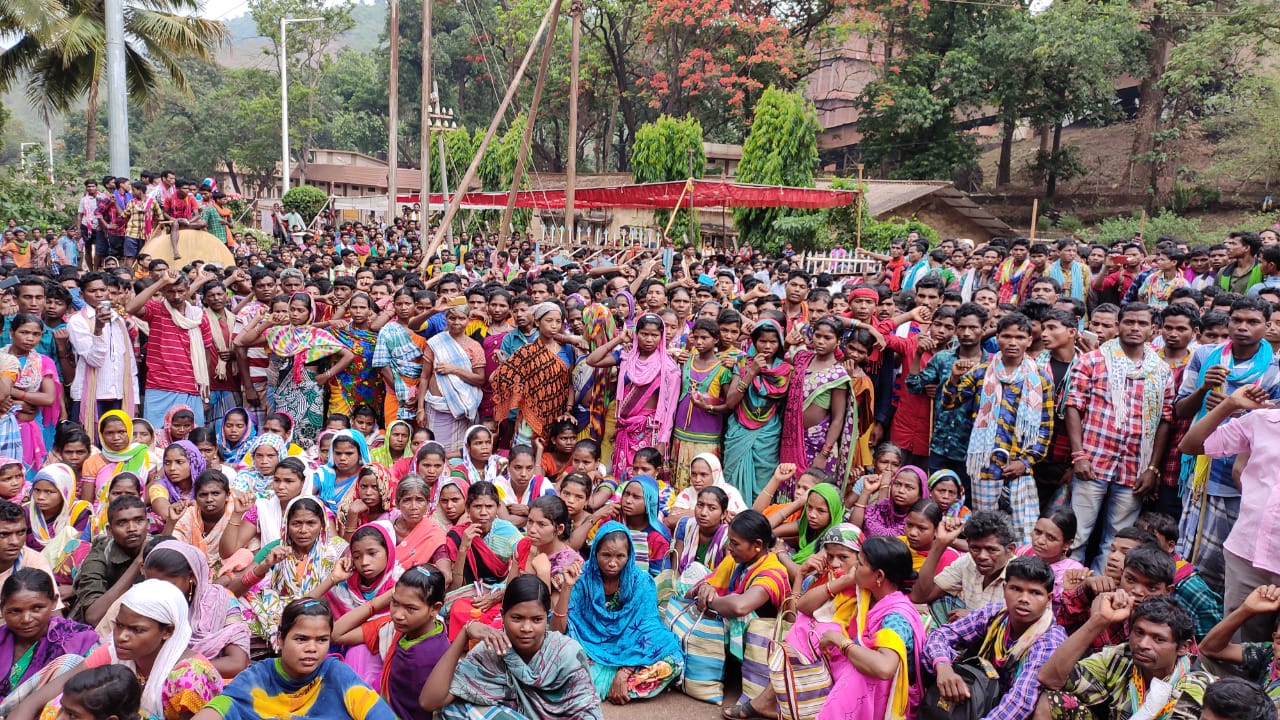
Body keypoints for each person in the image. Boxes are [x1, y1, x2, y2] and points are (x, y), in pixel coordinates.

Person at [9, 580, 223, 720]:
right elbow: (36, 700)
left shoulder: (189, 679)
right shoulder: (114, 652)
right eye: (119, 625)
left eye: (137, 630)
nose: (121, 636)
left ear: (167, 631)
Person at [1066, 303, 1173, 571]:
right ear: (1119, 325)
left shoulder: (1160, 370)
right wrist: (1078, 454)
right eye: (1129, 322)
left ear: (1153, 329)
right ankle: (1065, 594)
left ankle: (1102, 598)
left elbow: (1165, 420)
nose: (1135, 328)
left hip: (1134, 468)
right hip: (1093, 460)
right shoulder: (1093, 360)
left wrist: (1152, 468)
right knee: (1077, 536)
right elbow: (1073, 406)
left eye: (1142, 323)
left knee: (1118, 542)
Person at [420, 574, 602, 720]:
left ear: (546, 618)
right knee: (454, 709)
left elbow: (587, 710)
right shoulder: (491, 650)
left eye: (537, 620)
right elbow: (429, 702)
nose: (526, 628)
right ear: (503, 616)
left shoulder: (566, 653)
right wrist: (464, 634)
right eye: (517, 618)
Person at [940, 312, 1053, 545]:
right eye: (1007, 336)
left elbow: (1045, 427)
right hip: (985, 464)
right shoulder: (981, 372)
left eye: (1020, 337)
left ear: (1029, 341)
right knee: (986, 529)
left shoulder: (1040, 379)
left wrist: (1026, 462)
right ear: (997, 338)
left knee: (1025, 532)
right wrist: (953, 378)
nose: (1013, 342)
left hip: (1021, 467)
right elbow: (949, 403)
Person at [192, 599, 396, 720]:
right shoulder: (258, 677)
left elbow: (378, 713)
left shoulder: (336, 673)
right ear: (280, 639)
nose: (312, 649)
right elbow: (218, 709)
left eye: (322, 640)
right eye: (301, 639)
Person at [922, 556, 1067, 720]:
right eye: (1016, 589)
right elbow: (940, 635)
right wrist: (943, 667)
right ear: (1004, 589)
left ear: (1048, 599)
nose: (1024, 599)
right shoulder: (996, 614)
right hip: (985, 695)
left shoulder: (1049, 641)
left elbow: (1020, 702)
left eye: (1035, 593)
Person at [1037, 594, 1211, 720]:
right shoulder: (1121, 656)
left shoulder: (1196, 683)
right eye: (1139, 632)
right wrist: (1099, 621)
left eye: (1159, 639)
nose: (1143, 644)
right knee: (1053, 700)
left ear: (1183, 647)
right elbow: (1049, 678)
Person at [564, 521, 683, 703]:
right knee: (563, 654)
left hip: (632, 646)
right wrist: (566, 587)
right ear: (594, 552)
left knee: (673, 661)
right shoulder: (582, 578)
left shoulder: (641, 582)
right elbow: (566, 626)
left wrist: (625, 671)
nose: (612, 563)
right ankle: (618, 686)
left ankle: (613, 683)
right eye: (605, 555)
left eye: (620, 556)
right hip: (592, 645)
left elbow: (646, 627)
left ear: (629, 555)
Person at [231, 496, 347, 645]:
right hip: (278, 609)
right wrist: (265, 565)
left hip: (319, 613)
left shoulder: (336, 550)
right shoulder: (277, 548)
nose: (303, 530)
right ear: (286, 524)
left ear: (322, 524)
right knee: (234, 604)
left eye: (311, 523)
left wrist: (333, 578)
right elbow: (233, 590)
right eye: (296, 523)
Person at [585, 313, 680, 474]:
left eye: (654, 335)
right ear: (636, 334)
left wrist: (663, 440)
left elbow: (670, 408)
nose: (649, 339)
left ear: (661, 337)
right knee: (622, 474)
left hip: (650, 432)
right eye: (644, 334)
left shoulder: (669, 367)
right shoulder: (626, 356)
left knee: (643, 474)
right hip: (625, 427)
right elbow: (592, 360)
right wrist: (619, 340)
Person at [140, 541, 251, 678]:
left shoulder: (220, 600)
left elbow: (237, 663)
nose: (159, 591)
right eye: (151, 584)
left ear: (192, 577)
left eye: (168, 584)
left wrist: (179, 670)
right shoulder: (144, 603)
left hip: (211, 683)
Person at [0, 569, 98, 709]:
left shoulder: (77, 640)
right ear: (2, 609)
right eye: (15, 611)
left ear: (54, 602)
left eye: (37, 608)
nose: (26, 619)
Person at [723, 319, 793, 502]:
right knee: (734, 489)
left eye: (773, 341)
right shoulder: (743, 363)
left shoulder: (786, 369)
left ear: (779, 342)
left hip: (768, 434)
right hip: (740, 430)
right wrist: (752, 371)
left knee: (764, 483)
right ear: (754, 341)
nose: (767, 346)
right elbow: (731, 402)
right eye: (762, 341)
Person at [911, 511, 1018, 620]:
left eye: (991, 550)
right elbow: (919, 597)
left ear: (1010, 549)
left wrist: (973, 618)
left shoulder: (1020, 576)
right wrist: (940, 543)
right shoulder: (967, 562)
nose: (982, 556)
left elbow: (1017, 629)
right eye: (975, 548)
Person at [417, 299, 486, 452]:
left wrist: (454, 369)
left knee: (456, 454)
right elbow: (424, 377)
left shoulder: (474, 347)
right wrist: (420, 408)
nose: (457, 322)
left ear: (468, 320)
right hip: (435, 408)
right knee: (432, 452)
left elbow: (480, 379)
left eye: (462, 318)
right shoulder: (435, 342)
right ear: (446, 319)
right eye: (452, 318)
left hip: (462, 410)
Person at [69, 494, 149, 626]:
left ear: (148, 524)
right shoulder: (100, 554)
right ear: (109, 530)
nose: (132, 528)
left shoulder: (156, 548)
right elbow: (94, 617)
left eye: (138, 520)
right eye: (122, 523)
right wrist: (138, 562)